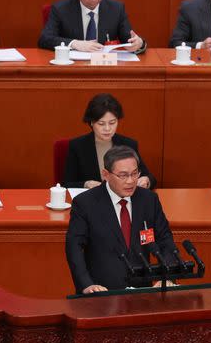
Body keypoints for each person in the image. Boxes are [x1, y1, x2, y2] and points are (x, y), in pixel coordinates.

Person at [65, 145, 176, 294]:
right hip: (101, 293)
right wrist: (86, 284)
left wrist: (167, 276)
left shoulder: (149, 200)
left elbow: (165, 239)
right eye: (123, 175)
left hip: (142, 293)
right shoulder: (85, 203)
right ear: (106, 174)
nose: (130, 181)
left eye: (135, 174)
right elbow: (74, 247)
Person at [64, 94, 156, 190]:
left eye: (112, 123)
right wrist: (87, 184)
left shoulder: (129, 144)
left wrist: (146, 180)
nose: (107, 129)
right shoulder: (78, 146)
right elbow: (66, 184)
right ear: (91, 122)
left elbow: (149, 177)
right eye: (101, 123)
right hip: (92, 200)